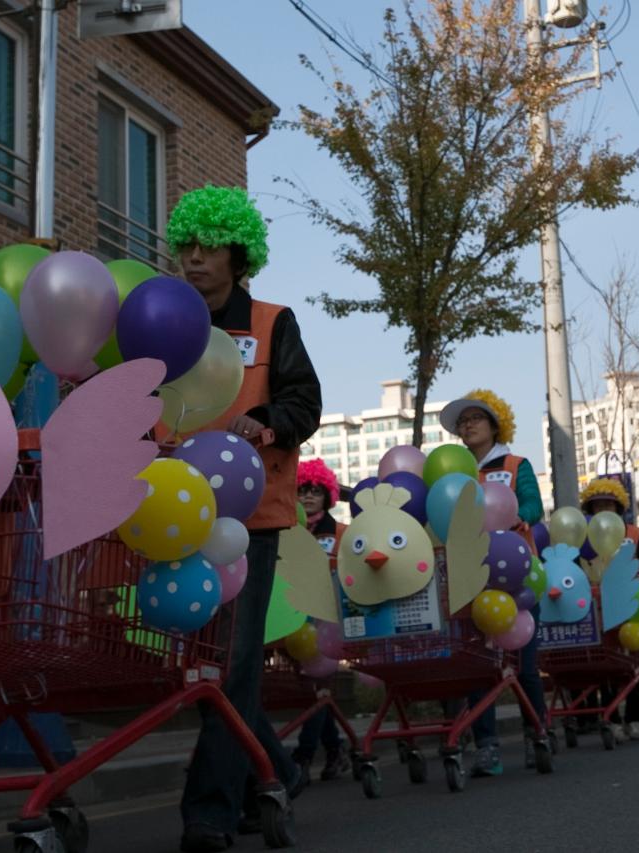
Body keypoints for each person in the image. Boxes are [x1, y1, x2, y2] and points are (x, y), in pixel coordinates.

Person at [167, 186, 323, 853]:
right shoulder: (163, 321)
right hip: (167, 514)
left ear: (239, 252)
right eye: (187, 246)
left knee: (229, 666)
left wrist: (267, 423)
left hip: (247, 515)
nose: (195, 258)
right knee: (202, 670)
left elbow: (304, 399)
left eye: (209, 247)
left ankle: (211, 809)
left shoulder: (271, 320)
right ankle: (279, 768)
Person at [439, 390, 545, 776]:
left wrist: (520, 515)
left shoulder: (517, 464)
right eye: (462, 422)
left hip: (517, 573)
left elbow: (533, 503)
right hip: (471, 574)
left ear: (495, 424)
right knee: (477, 664)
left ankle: (539, 735)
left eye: (475, 419)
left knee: (526, 665)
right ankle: (486, 746)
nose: (467, 426)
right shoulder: (453, 472)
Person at [289, 459, 350, 783]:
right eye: (302, 490)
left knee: (318, 688)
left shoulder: (341, 533)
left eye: (315, 490)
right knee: (315, 691)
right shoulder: (288, 532)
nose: (308, 496)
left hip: (329, 623)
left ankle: (303, 755)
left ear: (328, 494)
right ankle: (336, 748)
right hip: (294, 622)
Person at [579, 477, 639, 739]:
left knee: (632, 662)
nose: (603, 511)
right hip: (597, 608)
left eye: (609, 506)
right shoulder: (582, 536)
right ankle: (610, 718)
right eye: (598, 507)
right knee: (604, 663)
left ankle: (634, 717)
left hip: (630, 605)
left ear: (618, 508)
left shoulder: (634, 533)